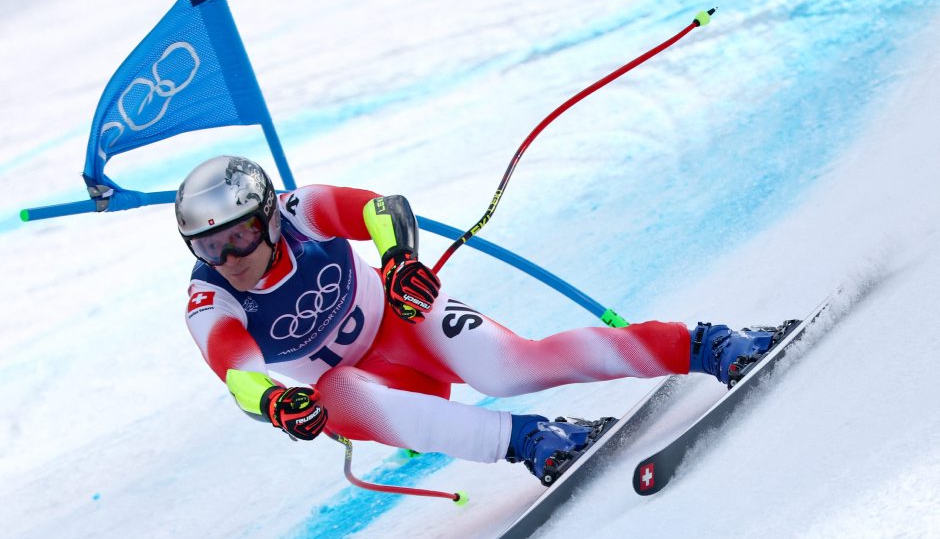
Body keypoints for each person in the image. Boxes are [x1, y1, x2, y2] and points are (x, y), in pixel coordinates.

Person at [177, 156, 777, 481]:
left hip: (407, 324)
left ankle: (707, 344)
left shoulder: (299, 212)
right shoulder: (211, 299)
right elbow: (238, 375)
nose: (230, 259)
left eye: (240, 236)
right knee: (335, 396)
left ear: (268, 218)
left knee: (510, 370)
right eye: (209, 247)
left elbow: (380, 208)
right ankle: (531, 439)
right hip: (381, 390)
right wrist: (277, 403)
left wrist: (398, 260)